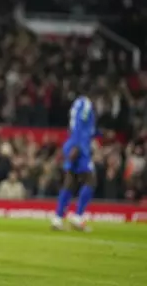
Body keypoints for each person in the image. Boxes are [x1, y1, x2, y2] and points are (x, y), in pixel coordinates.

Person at [51, 92, 99, 231]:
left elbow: (79, 126)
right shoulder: (86, 103)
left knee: (70, 181)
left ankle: (58, 218)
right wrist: (77, 146)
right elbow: (79, 125)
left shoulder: (77, 104)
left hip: (75, 142)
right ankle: (78, 217)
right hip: (79, 145)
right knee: (90, 180)